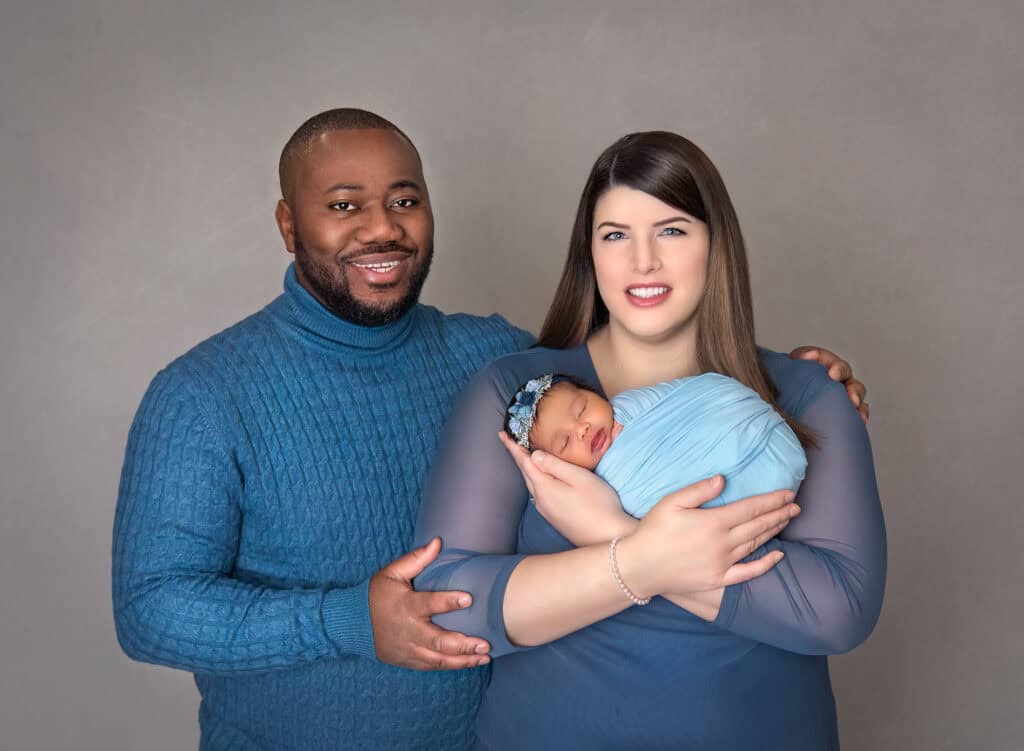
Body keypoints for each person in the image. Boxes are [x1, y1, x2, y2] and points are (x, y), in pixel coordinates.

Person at [112, 108, 869, 751]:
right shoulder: (203, 393)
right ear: (287, 222)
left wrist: (794, 384)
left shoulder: (493, 357)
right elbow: (149, 610)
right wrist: (342, 619)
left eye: (404, 201)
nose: (382, 228)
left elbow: (837, 601)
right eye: (344, 206)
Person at [414, 131, 886, 749]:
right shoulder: (518, 396)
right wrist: (639, 562)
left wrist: (617, 533)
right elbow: (448, 600)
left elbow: (840, 610)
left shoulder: (805, 394)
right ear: (590, 254)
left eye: (672, 230)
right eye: (615, 235)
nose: (643, 262)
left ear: (717, 246)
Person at [502, 371, 807, 517]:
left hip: (766, 434)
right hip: (761, 482)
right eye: (565, 442)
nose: (582, 429)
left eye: (581, 409)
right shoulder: (597, 489)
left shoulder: (631, 403)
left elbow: (700, 393)